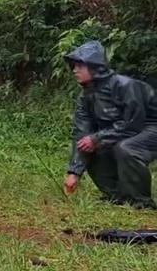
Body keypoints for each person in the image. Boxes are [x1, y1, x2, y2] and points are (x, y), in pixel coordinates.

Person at [62, 40, 157, 209]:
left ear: (94, 66)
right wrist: (74, 172)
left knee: (126, 148)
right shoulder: (85, 96)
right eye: (73, 66)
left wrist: (97, 138)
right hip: (123, 132)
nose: (74, 70)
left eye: (79, 66)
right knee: (89, 147)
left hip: (149, 128)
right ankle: (118, 196)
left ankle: (141, 202)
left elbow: (132, 124)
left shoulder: (126, 86)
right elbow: (81, 133)